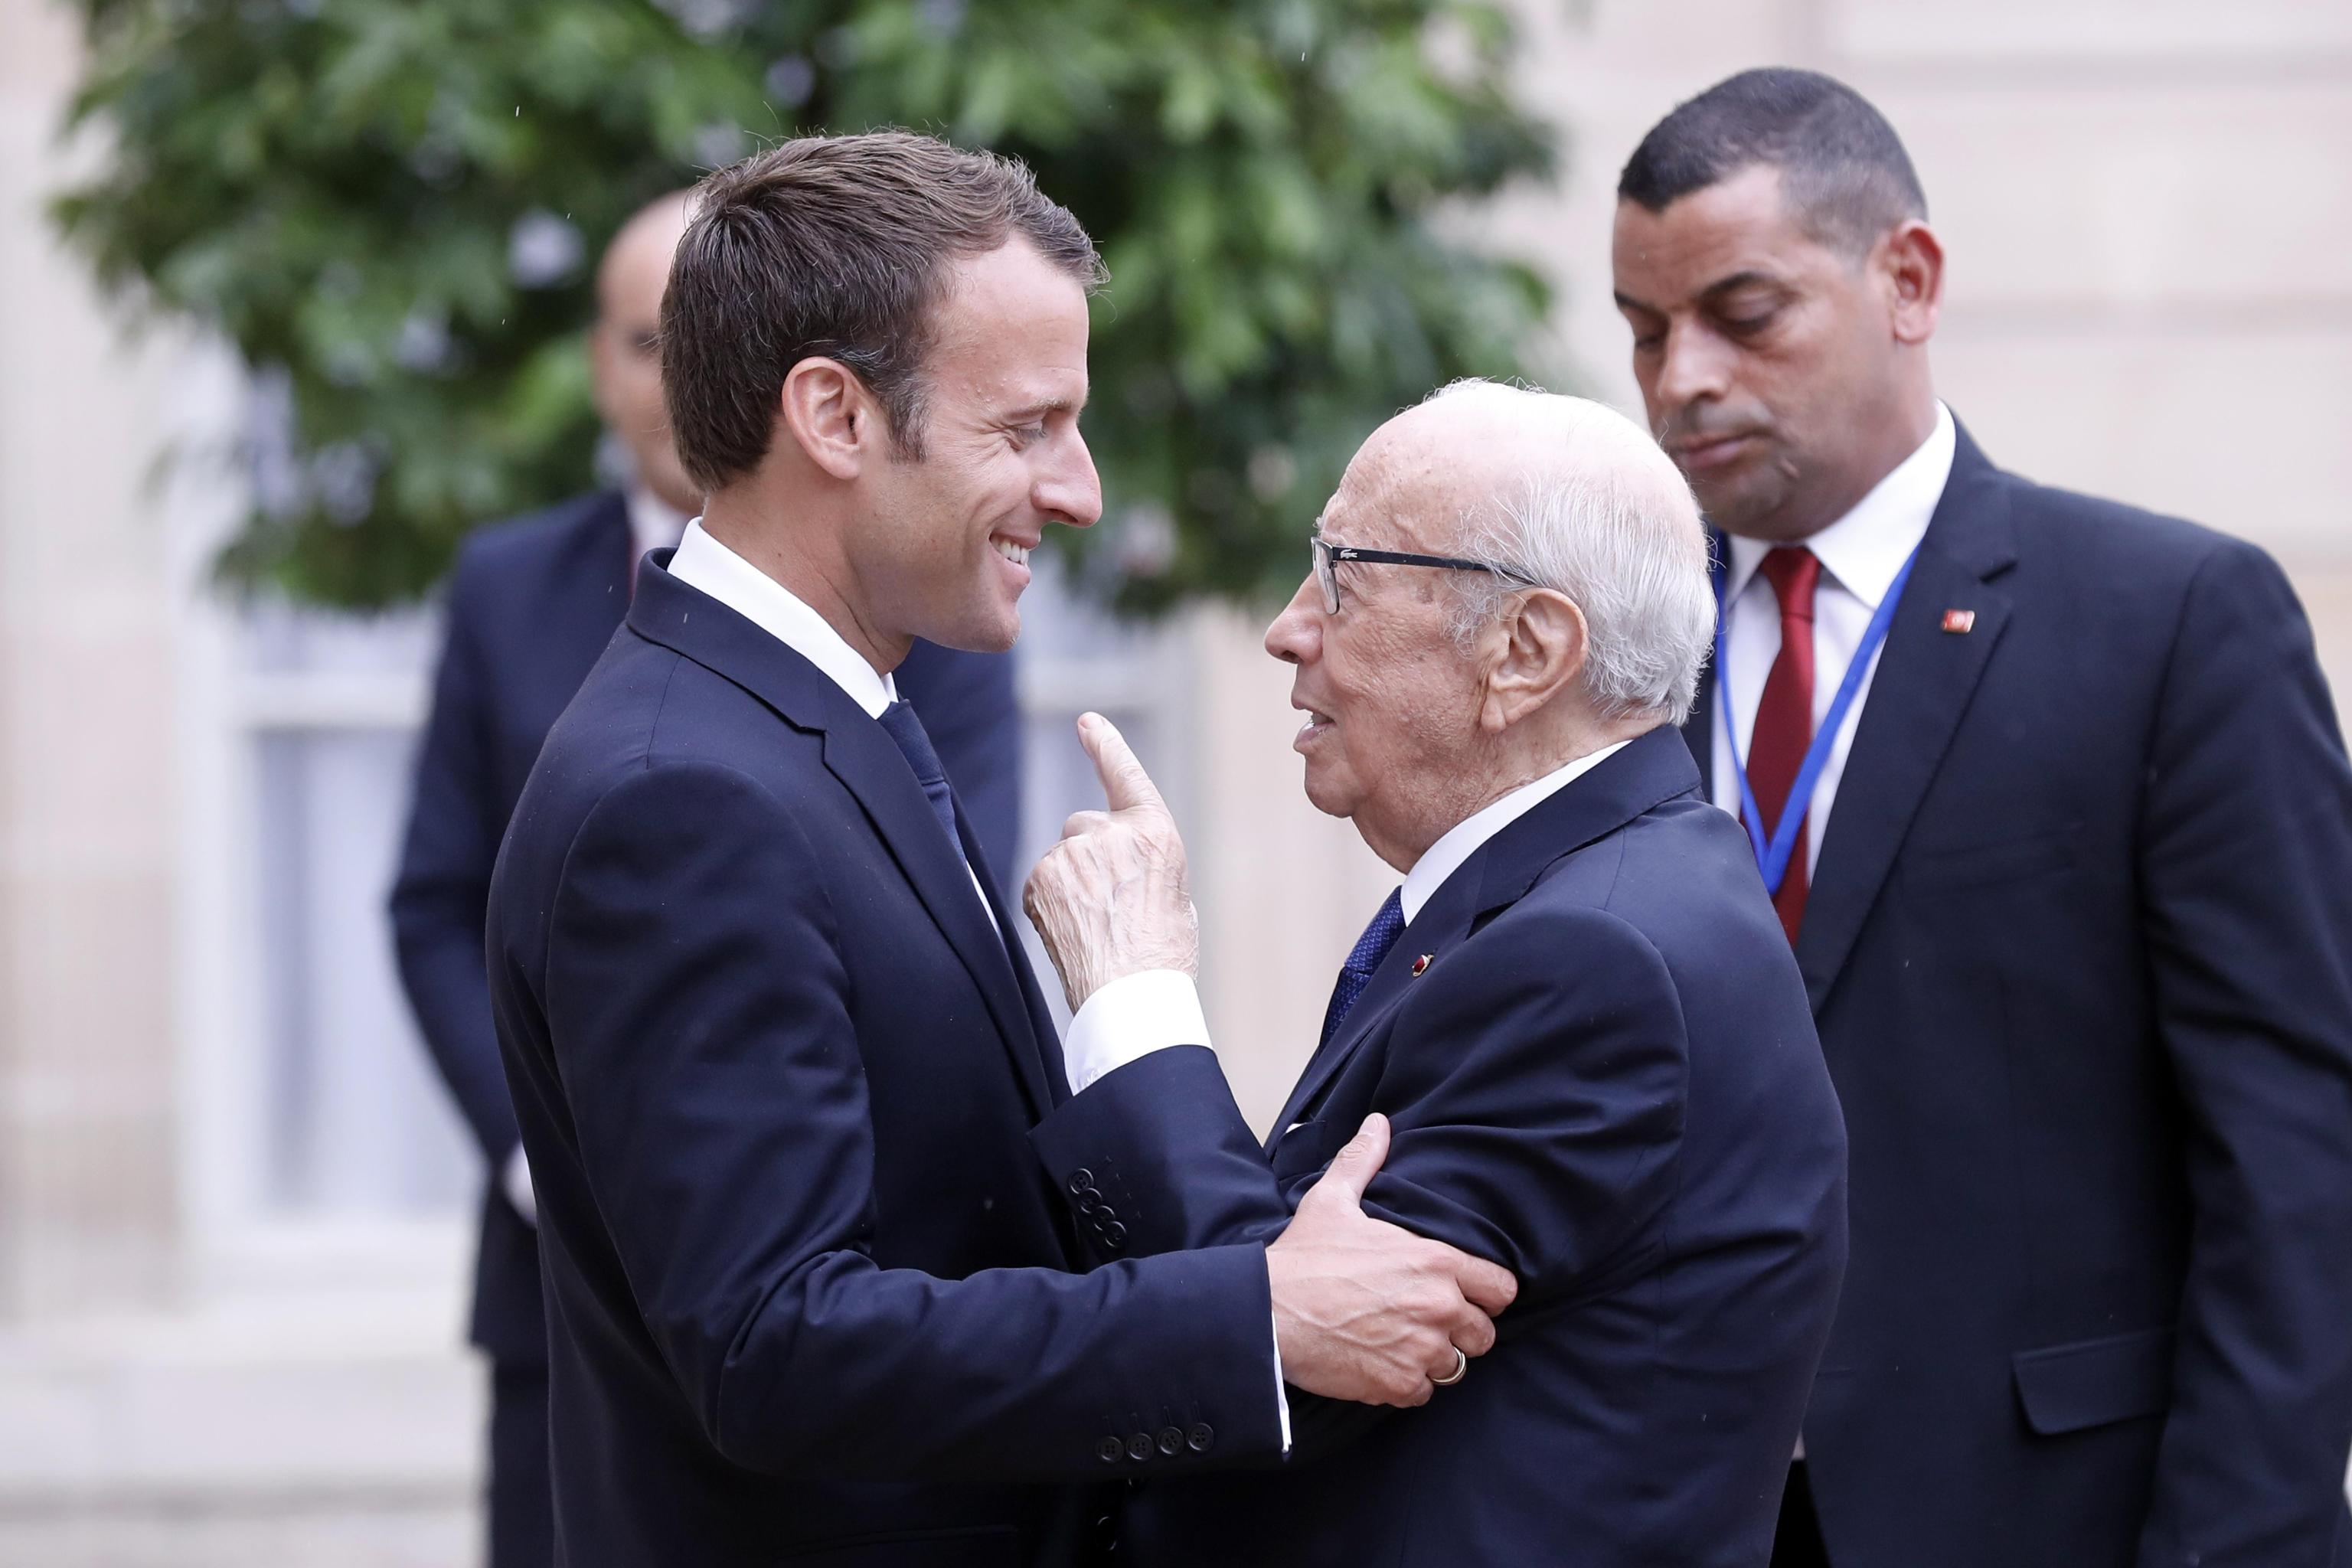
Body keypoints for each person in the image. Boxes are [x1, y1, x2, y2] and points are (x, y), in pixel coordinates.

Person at [483, 133, 1516, 1568]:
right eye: (1027, 428)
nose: (1080, 490)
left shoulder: (808, 724)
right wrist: (1256, 1316)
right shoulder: (683, 797)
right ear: (835, 416)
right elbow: (775, 1346)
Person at [1611, 67, 2352, 1568]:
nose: (1680, 377)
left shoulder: (2173, 623)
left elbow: (2297, 1161)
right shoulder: (1611, 652)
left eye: (1742, 317)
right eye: (1642, 331)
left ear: (1909, 279)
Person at [1022, 381, 1851, 1565]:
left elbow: (1287, 1357)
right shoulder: (1587, 893)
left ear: (1527, 651)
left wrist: (1133, 998)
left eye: (1343, 577)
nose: (1288, 626)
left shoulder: (1593, 959)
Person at [387, 191, 1028, 1567]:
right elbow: (440, 898)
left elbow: (928, 913)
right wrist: (532, 1142)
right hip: (645, 1312)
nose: (1071, 487)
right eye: (1026, 429)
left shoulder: (926, 616)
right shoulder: (611, 699)